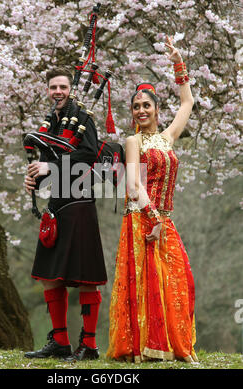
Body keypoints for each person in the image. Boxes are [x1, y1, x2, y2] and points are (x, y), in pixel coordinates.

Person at [106, 36, 198, 363]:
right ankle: (145, 347)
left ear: (157, 109)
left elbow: (187, 103)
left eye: (147, 105)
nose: (141, 110)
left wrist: (178, 62)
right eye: (136, 106)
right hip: (142, 217)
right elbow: (133, 182)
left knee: (178, 280)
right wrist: (152, 217)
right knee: (145, 283)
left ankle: (175, 345)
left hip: (164, 218)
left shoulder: (168, 137)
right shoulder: (133, 141)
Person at [24, 68, 107, 361]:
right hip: (57, 206)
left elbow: (89, 155)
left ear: (70, 89)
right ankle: (60, 341)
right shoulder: (50, 124)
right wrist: (36, 179)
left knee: (86, 278)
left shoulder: (84, 119)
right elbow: (50, 171)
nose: (57, 91)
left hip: (80, 204)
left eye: (62, 86)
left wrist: (51, 168)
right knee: (50, 276)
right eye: (52, 87)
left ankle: (90, 345)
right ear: (47, 90)